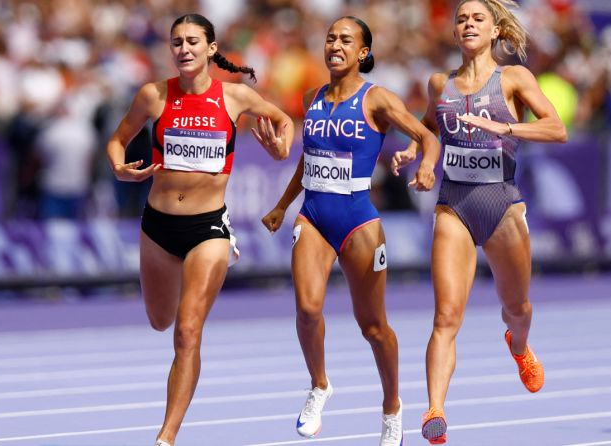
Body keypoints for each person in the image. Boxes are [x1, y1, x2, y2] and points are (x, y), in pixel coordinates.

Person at [106, 13, 294, 446]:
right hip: (157, 226)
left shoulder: (235, 97)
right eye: (176, 42)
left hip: (209, 228)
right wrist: (120, 168)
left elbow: (284, 123)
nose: (184, 49)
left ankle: (166, 437)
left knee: (188, 331)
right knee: (160, 321)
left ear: (211, 48)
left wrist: (281, 147)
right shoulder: (153, 96)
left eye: (192, 41)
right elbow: (118, 140)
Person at [391, 0, 567, 443]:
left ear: (495, 31)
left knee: (517, 308)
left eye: (478, 19)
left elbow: (556, 128)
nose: (468, 24)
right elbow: (430, 127)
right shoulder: (439, 84)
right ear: (455, 33)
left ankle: (520, 346)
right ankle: (435, 410)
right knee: (446, 317)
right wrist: (418, 151)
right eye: (462, 19)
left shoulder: (513, 79)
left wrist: (506, 129)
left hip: (502, 205)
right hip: (454, 204)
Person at [262, 16, 440, 446]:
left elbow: (426, 137)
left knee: (373, 326)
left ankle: (392, 406)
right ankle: (320, 385)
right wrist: (284, 205)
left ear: (362, 52)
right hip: (314, 216)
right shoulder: (312, 97)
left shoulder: (376, 99)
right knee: (307, 309)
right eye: (330, 38)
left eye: (346, 40)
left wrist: (427, 166)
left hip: (359, 222)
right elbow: (311, 157)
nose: (335, 45)